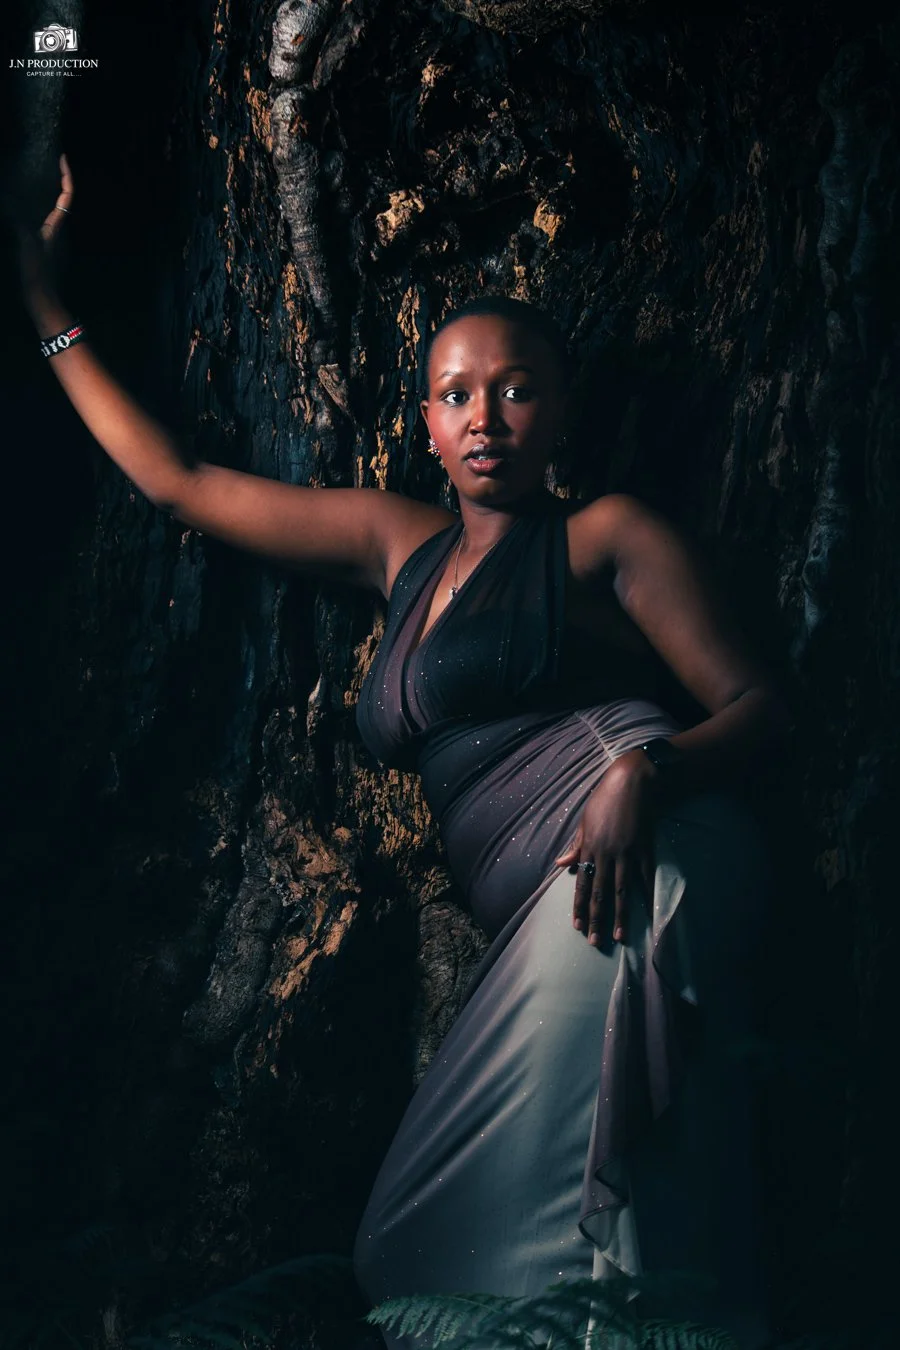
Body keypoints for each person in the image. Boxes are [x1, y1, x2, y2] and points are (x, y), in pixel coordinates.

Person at [19, 156, 788, 1349]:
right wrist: (41, 300)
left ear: (559, 414)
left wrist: (651, 772)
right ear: (425, 424)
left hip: (642, 864)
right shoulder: (400, 547)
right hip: (547, 910)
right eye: (458, 395)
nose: (487, 417)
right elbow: (177, 486)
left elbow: (757, 704)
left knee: (598, 1237)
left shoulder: (605, 537)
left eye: (517, 391)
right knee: (413, 1254)